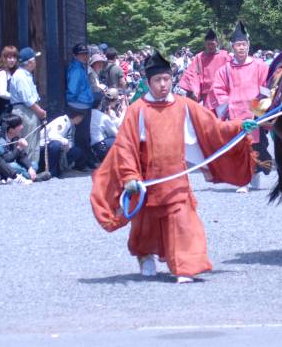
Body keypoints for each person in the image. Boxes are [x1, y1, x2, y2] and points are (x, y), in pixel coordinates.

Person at [90, 50, 256, 283]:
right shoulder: (137, 110)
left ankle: (184, 267)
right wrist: (129, 176)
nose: (163, 85)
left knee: (183, 222)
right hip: (148, 178)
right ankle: (145, 255)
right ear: (148, 83)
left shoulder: (184, 105)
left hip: (177, 178)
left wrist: (239, 127)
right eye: (157, 80)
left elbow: (213, 128)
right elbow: (125, 146)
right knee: (147, 225)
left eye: (166, 79)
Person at [211, 22, 270, 193]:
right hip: (235, 114)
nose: (241, 48)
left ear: (248, 46)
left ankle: (255, 174)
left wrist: (258, 110)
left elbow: (266, 87)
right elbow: (219, 90)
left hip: (255, 112)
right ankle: (243, 180)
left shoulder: (260, 66)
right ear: (232, 47)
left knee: (257, 146)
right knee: (239, 147)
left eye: (244, 44)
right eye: (238, 45)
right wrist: (229, 107)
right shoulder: (225, 70)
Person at [9, 47, 47, 168]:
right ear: (30, 62)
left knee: (33, 141)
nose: (36, 62)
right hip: (25, 111)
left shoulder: (25, 75)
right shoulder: (20, 76)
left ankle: (33, 169)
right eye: (34, 59)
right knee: (29, 141)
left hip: (28, 110)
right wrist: (40, 111)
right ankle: (29, 169)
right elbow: (27, 100)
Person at [178, 30, 230, 111]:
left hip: (221, 94)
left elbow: (231, 72)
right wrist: (194, 89)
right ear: (205, 44)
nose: (210, 46)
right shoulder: (199, 57)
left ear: (217, 43)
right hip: (206, 95)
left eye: (212, 44)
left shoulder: (224, 56)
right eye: (208, 44)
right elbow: (192, 73)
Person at [65, 43, 96, 170]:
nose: (84, 56)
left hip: (83, 104)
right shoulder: (77, 69)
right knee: (81, 136)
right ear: (75, 55)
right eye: (81, 54)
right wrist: (76, 104)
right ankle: (81, 163)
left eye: (85, 54)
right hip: (80, 105)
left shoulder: (81, 67)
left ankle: (86, 161)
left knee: (84, 135)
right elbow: (72, 90)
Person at [40, 108, 85, 178]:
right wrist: (65, 142)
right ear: (77, 117)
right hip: (44, 148)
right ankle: (52, 171)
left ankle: (60, 168)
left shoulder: (71, 125)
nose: (81, 120)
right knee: (56, 145)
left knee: (76, 151)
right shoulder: (62, 122)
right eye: (81, 118)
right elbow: (52, 136)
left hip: (57, 149)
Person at [0, 46, 19, 122]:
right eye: (9, 57)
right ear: (4, 58)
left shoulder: (16, 72)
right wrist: (17, 98)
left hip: (14, 110)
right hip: (6, 113)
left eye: (14, 57)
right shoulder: (3, 73)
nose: (12, 60)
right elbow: (2, 93)